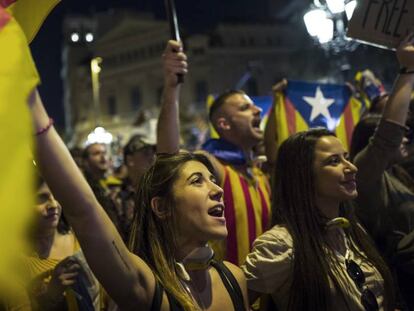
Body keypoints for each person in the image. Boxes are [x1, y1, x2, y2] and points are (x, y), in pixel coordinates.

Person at [28, 90, 249, 310]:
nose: (218, 189)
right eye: (197, 181)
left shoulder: (235, 279)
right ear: (162, 207)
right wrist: (32, 105)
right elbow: (84, 211)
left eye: (213, 180)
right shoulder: (146, 287)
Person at [242, 128, 395, 311]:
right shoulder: (281, 244)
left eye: (346, 157)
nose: (352, 167)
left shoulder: (350, 230)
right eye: (334, 161)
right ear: (302, 174)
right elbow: (233, 300)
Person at [158, 40, 271, 266]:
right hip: (230, 295)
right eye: (244, 108)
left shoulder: (260, 173)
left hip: (269, 299)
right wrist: (171, 88)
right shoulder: (214, 167)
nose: (258, 109)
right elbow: (168, 157)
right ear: (224, 124)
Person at [350, 34, 414, 309]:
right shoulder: (364, 176)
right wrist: (408, 70)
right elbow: (388, 136)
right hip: (398, 290)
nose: (406, 136)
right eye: (401, 133)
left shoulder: (400, 173)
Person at [22, 177, 101, 310]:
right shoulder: (19, 264)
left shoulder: (82, 238)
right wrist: (51, 293)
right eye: (42, 198)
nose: (53, 205)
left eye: (56, 195)